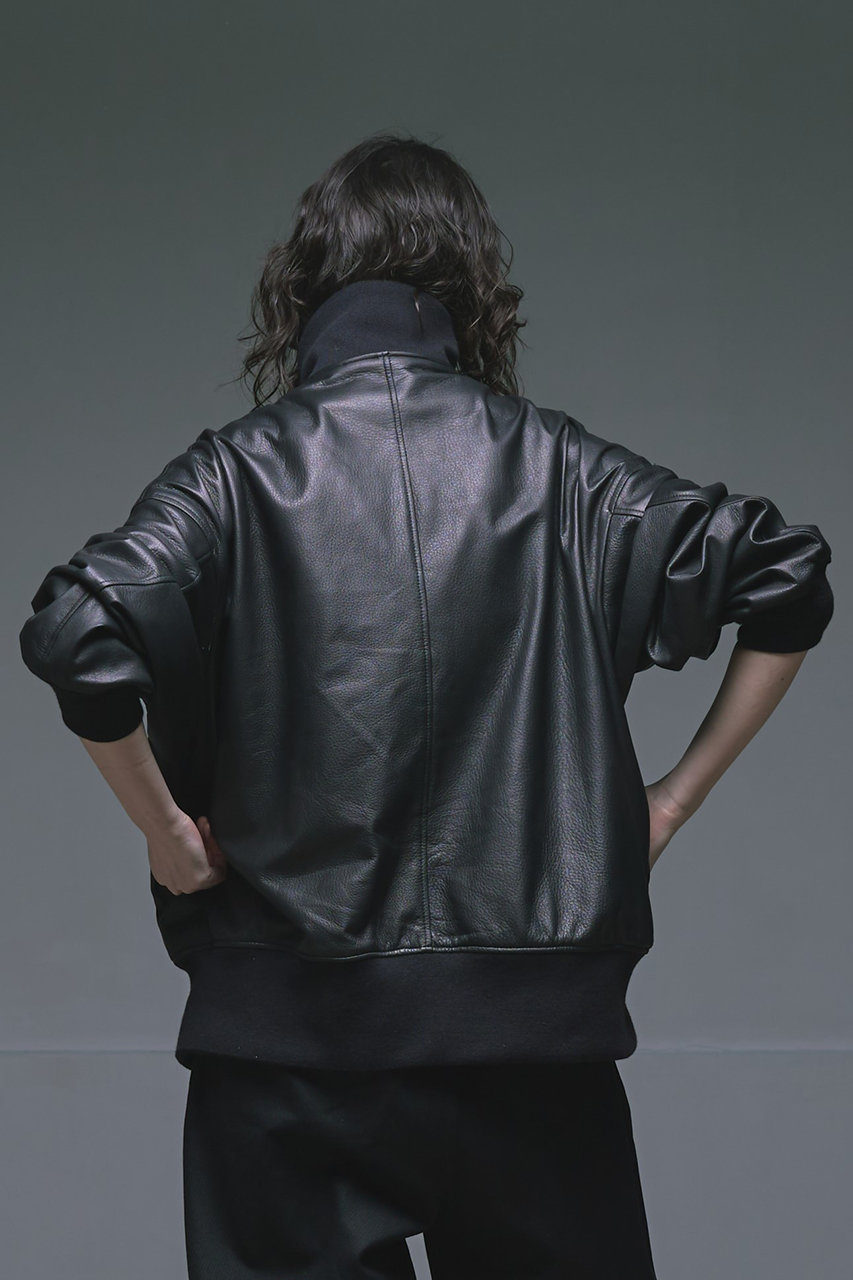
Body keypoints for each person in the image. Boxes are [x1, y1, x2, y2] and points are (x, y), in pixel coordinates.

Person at [19, 131, 834, 1279]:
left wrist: (165, 832)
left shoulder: (235, 475)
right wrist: (665, 805)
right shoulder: (562, 470)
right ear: (471, 292)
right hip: (534, 1053)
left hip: (288, 1057)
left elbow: (76, 631)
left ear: (303, 287)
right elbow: (784, 577)